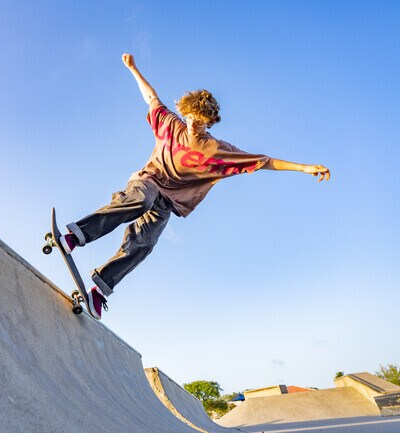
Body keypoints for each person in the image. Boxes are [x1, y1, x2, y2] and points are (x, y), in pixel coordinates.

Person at [59, 53, 330, 320]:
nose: (193, 125)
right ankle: (76, 235)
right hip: (148, 181)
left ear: (209, 122)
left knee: (144, 243)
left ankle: (100, 288)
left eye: (200, 122)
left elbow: (264, 161)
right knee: (141, 199)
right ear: (185, 112)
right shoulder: (170, 125)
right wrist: (133, 68)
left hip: (169, 202)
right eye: (190, 117)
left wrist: (304, 168)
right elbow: (151, 97)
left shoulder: (218, 150)